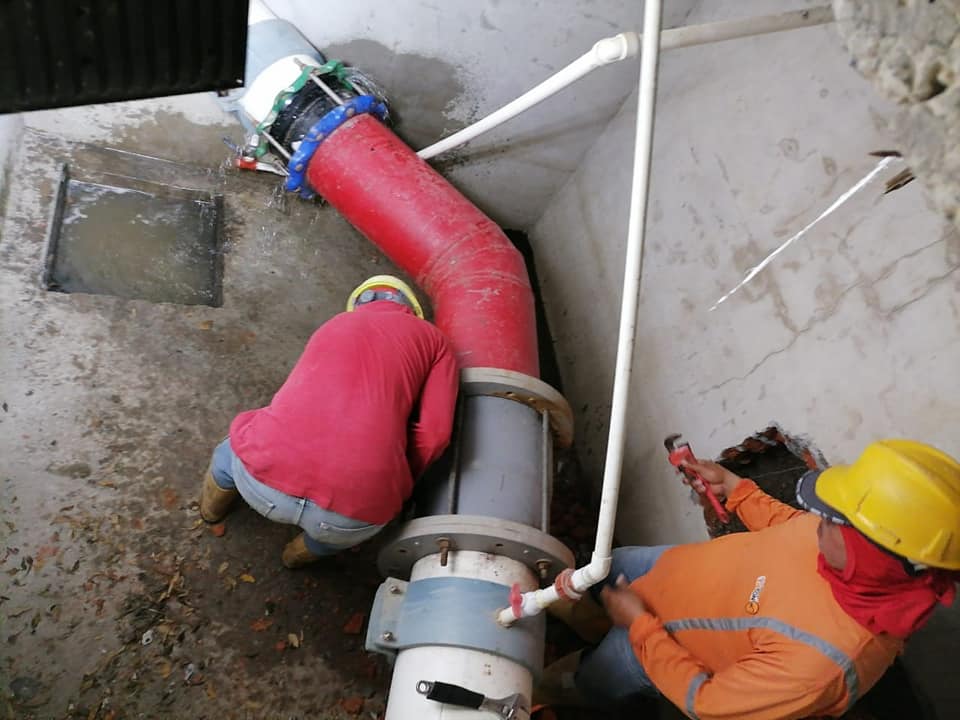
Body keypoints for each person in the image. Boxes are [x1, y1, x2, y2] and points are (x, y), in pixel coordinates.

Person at [549, 439, 960, 719]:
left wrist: (638, 626)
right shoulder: (839, 545)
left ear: (872, 559)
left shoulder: (822, 665)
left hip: (656, 644)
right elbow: (791, 527)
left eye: (833, 519)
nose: (820, 521)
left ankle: (563, 684)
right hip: (666, 570)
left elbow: (705, 702)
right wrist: (734, 487)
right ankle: (589, 619)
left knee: (592, 679)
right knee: (604, 568)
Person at [198, 275, 459, 568]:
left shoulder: (335, 324)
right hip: (350, 518)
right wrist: (395, 478)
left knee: (227, 454)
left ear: (357, 305)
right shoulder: (436, 342)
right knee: (332, 537)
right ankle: (293, 559)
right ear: (412, 311)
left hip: (259, 481)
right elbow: (436, 436)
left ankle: (210, 511)